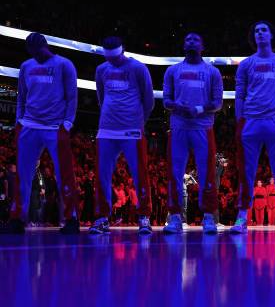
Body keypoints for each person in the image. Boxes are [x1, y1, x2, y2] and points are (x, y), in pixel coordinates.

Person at [5, 32, 79, 234]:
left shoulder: (65, 64)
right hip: (29, 125)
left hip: (55, 127)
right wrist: (18, 121)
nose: (36, 55)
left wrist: (68, 122)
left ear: (46, 46)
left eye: (39, 51)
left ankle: (71, 218)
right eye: (32, 52)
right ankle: (17, 218)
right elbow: (22, 96)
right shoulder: (26, 66)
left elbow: (72, 96)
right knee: (22, 175)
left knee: (65, 174)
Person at [231, 21, 275, 234]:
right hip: (250, 121)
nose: (260, 33)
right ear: (254, 37)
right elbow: (239, 96)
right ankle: (241, 217)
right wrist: (240, 120)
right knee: (246, 172)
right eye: (256, 31)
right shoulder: (245, 64)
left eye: (264, 30)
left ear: (271, 35)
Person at [89, 36, 154, 234]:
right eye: (110, 59)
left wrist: (139, 123)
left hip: (132, 129)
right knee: (102, 175)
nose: (113, 62)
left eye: (116, 58)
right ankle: (101, 218)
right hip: (107, 129)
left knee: (140, 174)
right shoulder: (101, 70)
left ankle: (144, 217)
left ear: (122, 51)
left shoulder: (138, 68)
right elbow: (101, 96)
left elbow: (149, 99)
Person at [162, 32, 223, 234]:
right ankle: (175, 217)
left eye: (196, 39)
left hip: (203, 128)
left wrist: (198, 109)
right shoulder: (172, 71)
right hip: (179, 127)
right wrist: (177, 105)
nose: (191, 42)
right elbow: (166, 101)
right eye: (187, 39)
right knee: (175, 173)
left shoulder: (212, 72)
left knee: (206, 174)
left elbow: (217, 103)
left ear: (202, 46)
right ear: (183, 44)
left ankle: (208, 217)